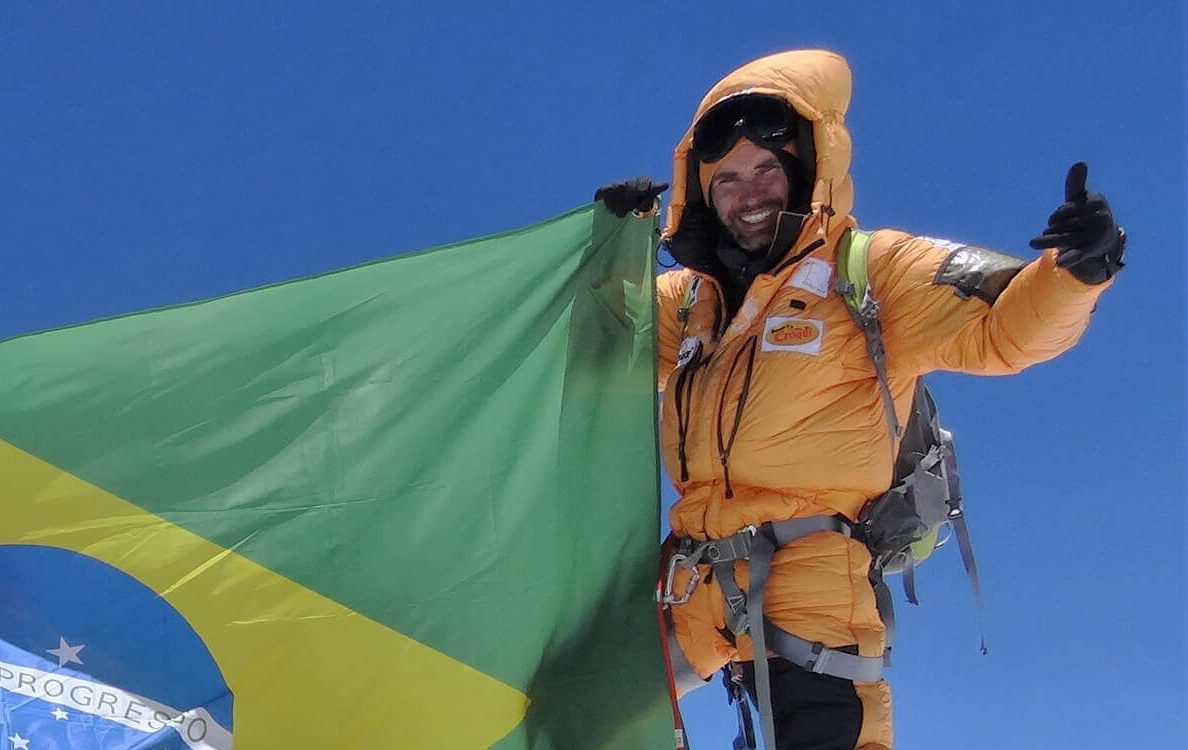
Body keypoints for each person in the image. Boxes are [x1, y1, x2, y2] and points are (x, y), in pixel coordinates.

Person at [596, 49, 1124, 750]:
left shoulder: (872, 272)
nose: (748, 193)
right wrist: (605, 251)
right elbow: (593, 341)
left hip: (813, 593)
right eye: (726, 179)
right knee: (570, 710)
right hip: (693, 582)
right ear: (702, 192)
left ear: (810, 168)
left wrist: (1076, 271)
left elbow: (1007, 329)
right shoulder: (691, 301)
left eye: (766, 170)